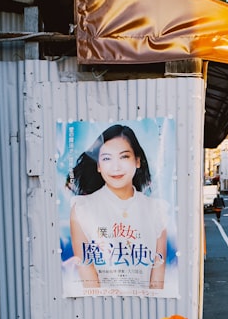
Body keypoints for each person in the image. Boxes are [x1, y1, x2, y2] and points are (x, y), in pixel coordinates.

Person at [67, 123, 169, 293]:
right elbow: (89, 280)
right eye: (107, 158)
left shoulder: (158, 210)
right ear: (98, 166)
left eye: (124, 157)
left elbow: (157, 281)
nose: (116, 167)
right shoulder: (81, 209)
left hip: (146, 312)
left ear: (137, 161)